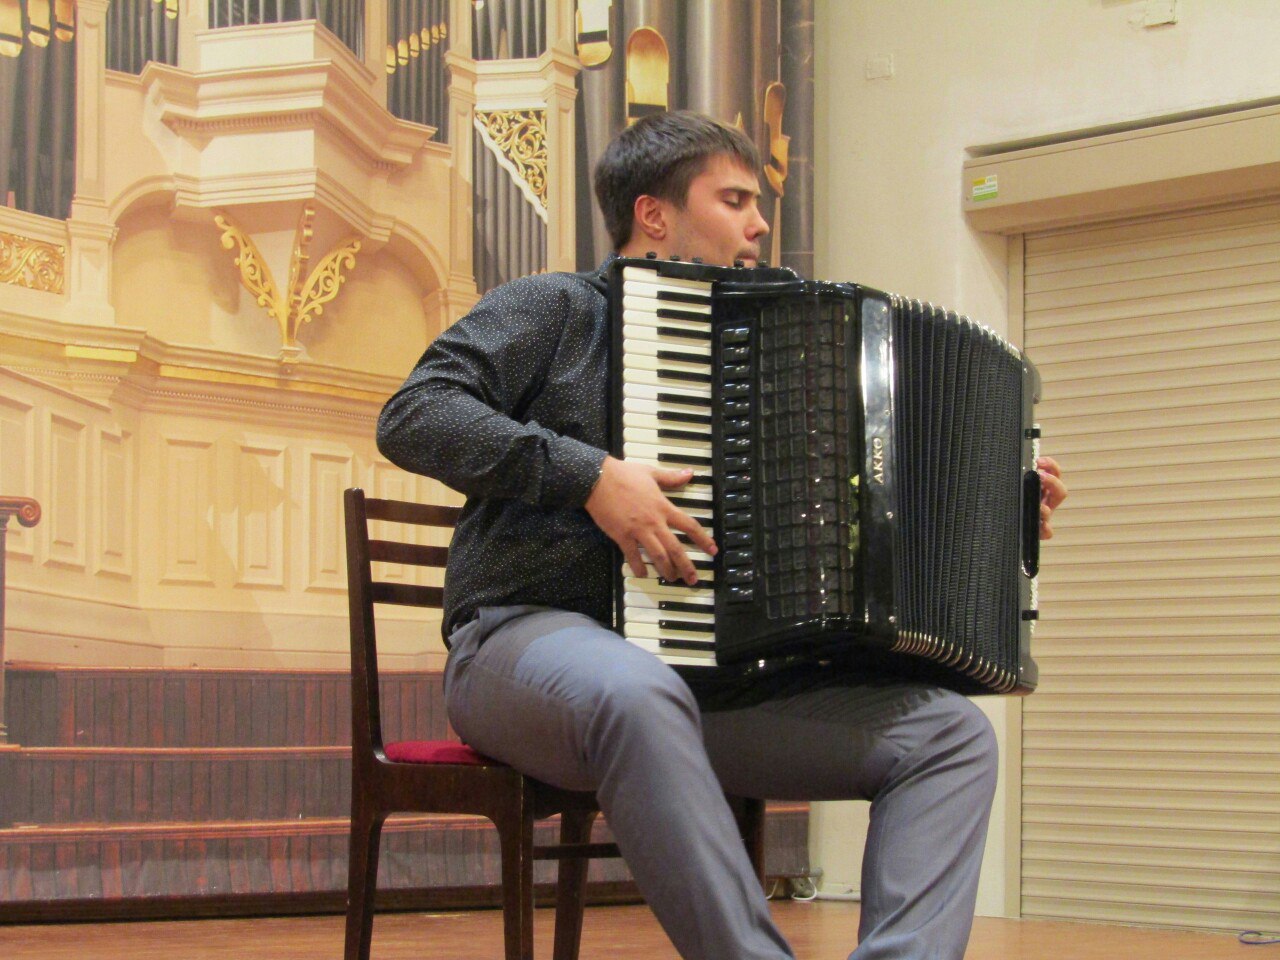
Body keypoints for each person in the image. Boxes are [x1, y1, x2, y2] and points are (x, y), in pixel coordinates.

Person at [377, 111, 1068, 960]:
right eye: (735, 200)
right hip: (523, 647)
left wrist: (995, 516)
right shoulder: (558, 309)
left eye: (759, 204)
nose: (760, 224)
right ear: (653, 214)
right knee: (637, 692)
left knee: (950, 738)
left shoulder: (786, 362)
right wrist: (590, 476)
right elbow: (415, 414)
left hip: (713, 686)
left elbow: (849, 539)